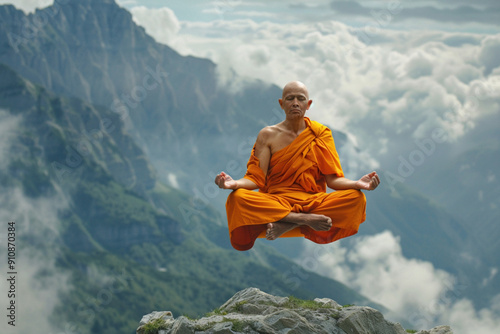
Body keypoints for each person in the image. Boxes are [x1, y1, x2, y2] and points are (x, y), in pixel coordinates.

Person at [215, 81, 380, 251]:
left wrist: (357, 184)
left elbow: (333, 180)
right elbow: (255, 178)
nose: (295, 103)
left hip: (311, 201)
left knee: (357, 198)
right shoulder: (268, 135)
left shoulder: (320, 134)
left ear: (308, 104)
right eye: (290, 98)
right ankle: (304, 220)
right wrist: (232, 184)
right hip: (277, 200)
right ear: (281, 104)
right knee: (237, 198)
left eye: (300, 99)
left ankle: (286, 223)